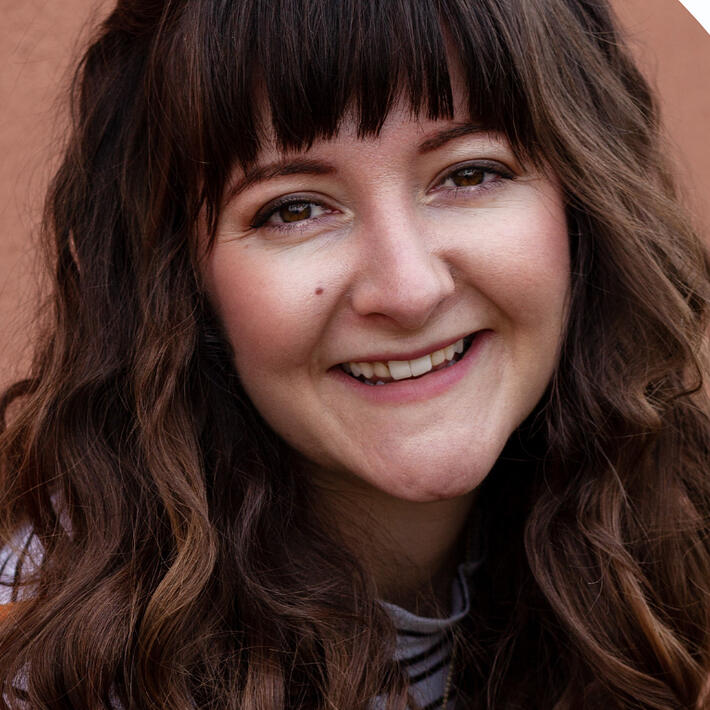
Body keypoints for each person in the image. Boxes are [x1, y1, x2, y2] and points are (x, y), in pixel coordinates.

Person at [1, 0, 709, 707]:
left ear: (585, 208)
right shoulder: (52, 672)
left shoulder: (680, 545)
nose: (408, 291)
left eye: (469, 173)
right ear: (177, 284)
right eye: (294, 208)